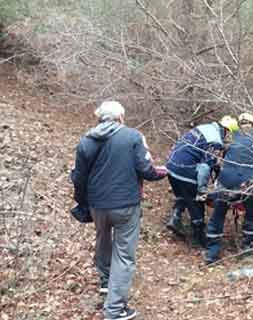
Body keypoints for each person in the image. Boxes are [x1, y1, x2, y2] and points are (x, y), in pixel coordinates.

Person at [71, 101, 167, 320]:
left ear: (99, 117)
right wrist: (163, 172)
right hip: (125, 205)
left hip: (97, 205)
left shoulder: (86, 140)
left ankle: (106, 284)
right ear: (121, 117)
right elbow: (146, 169)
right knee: (124, 255)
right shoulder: (133, 136)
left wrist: (82, 203)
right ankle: (114, 310)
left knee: (103, 241)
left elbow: (78, 177)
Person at [204, 113, 253, 264]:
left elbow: (223, 154)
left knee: (218, 214)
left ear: (240, 124)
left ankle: (211, 254)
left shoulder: (230, 136)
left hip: (226, 181)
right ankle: (247, 250)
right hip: (248, 183)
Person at [164, 115, 239, 247]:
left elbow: (195, 151)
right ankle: (198, 237)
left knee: (184, 194)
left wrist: (214, 165)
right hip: (186, 171)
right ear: (227, 131)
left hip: (171, 167)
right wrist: (202, 189)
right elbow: (204, 168)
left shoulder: (203, 128)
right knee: (196, 202)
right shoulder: (216, 141)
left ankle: (175, 217)